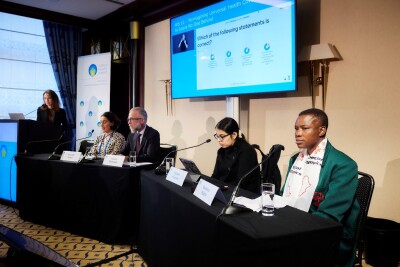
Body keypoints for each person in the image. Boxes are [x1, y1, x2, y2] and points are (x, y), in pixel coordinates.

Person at [281, 108, 359, 267]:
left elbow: (330, 216)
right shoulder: (296, 159)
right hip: (296, 224)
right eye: (296, 128)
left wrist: (288, 226)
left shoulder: (344, 165)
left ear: (322, 130)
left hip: (328, 235)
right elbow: (284, 195)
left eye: (305, 128)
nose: (298, 133)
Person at [211, 117, 260, 194]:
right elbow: (215, 176)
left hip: (244, 195)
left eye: (222, 136)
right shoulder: (221, 151)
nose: (219, 140)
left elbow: (241, 183)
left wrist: (220, 188)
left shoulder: (247, 151)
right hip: (225, 190)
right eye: (217, 136)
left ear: (234, 135)